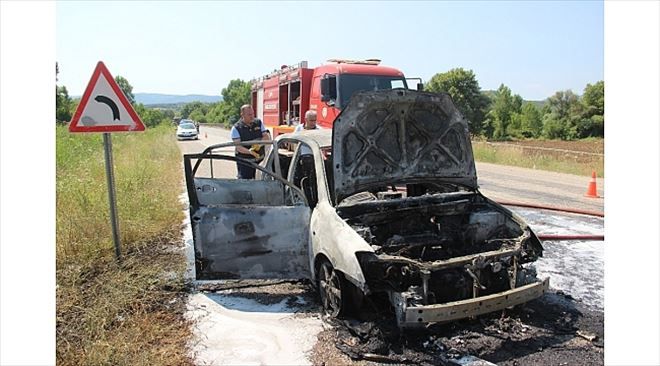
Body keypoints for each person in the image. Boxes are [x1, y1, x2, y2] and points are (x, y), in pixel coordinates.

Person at [230, 105, 270, 179]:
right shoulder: (236, 128)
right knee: (246, 184)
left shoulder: (258, 123)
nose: (252, 116)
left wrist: (259, 145)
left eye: (253, 114)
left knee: (261, 182)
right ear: (242, 114)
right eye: (249, 114)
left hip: (260, 162)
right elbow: (238, 147)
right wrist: (250, 152)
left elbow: (266, 137)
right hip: (245, 163)